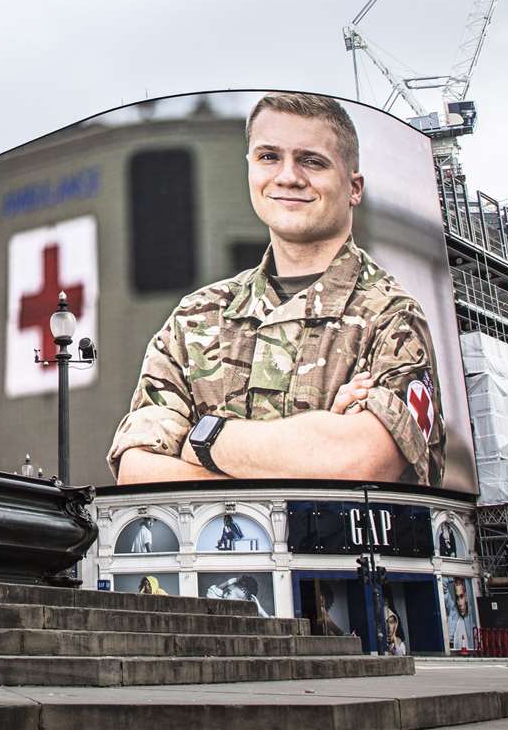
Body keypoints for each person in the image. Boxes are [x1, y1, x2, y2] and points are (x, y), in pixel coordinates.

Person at [108, 92, 447, 486]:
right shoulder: (195, 319)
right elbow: (136, 472)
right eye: (269, 157)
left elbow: (361, 459)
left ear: (354, 188)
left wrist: (204, 439)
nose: (288, 176)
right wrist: (311, 450)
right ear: (250, 169)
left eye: (312, 161)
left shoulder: (389, 316)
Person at [445, 578, 473, 652]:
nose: (460, 603)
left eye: (461, 596)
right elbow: (442, 584)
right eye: (457, 598)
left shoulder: (471, 616)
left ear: (466, 597)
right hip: (455, 652)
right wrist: (452, 577)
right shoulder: (454, 610)